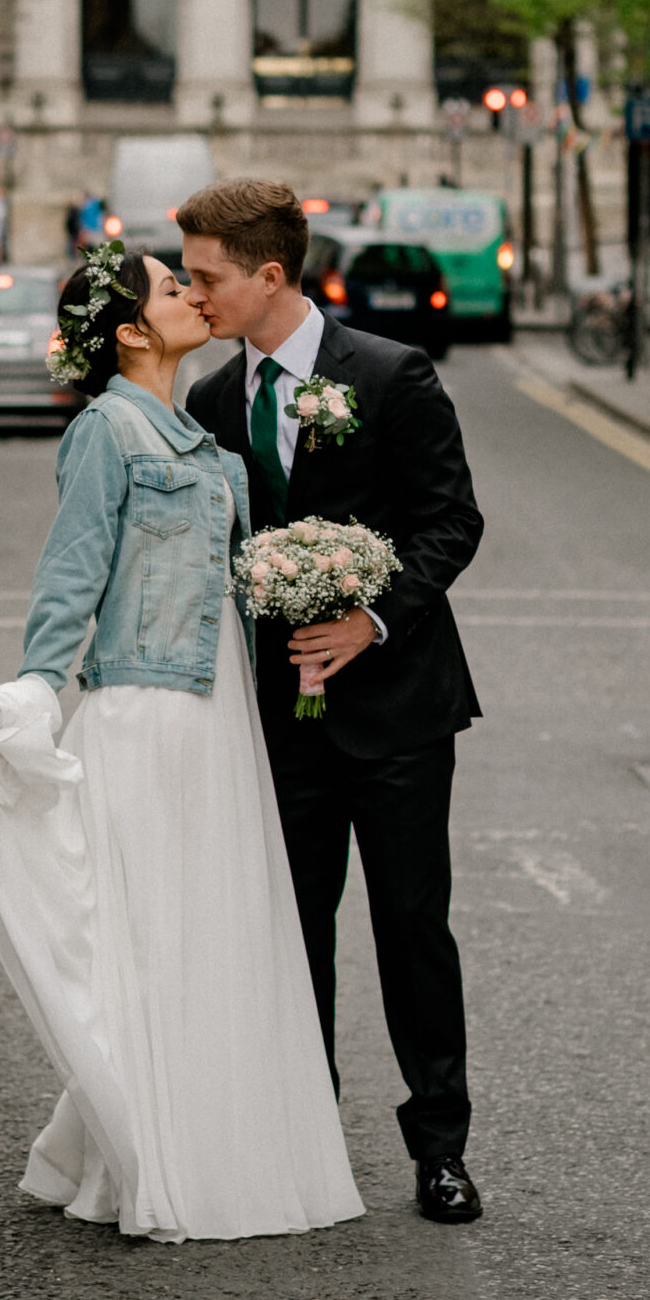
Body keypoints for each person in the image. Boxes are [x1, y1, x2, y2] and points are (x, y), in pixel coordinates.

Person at [0, 243, 364, 1244]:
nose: (191, 294)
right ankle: (156, 1150)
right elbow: (72, 571)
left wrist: (313, 577)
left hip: (218, 719)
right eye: (173, 286)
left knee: (206, 931)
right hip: (144, 710)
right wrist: (37, 692)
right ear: (132, 329)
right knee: (154, 936)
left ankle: (184, 1134)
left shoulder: (199, 437)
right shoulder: (107, 430)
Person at [180, 178, 486, 1226]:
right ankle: (308, 1143)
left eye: (205, 275)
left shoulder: (393, 375)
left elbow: (451, 524)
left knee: (411, 928)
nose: (192, 292)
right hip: (281, 721)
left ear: (269, 275)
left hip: (398, 710)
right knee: (292, 934)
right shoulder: (213, 403)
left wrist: (371, 619)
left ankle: (439, 1149)